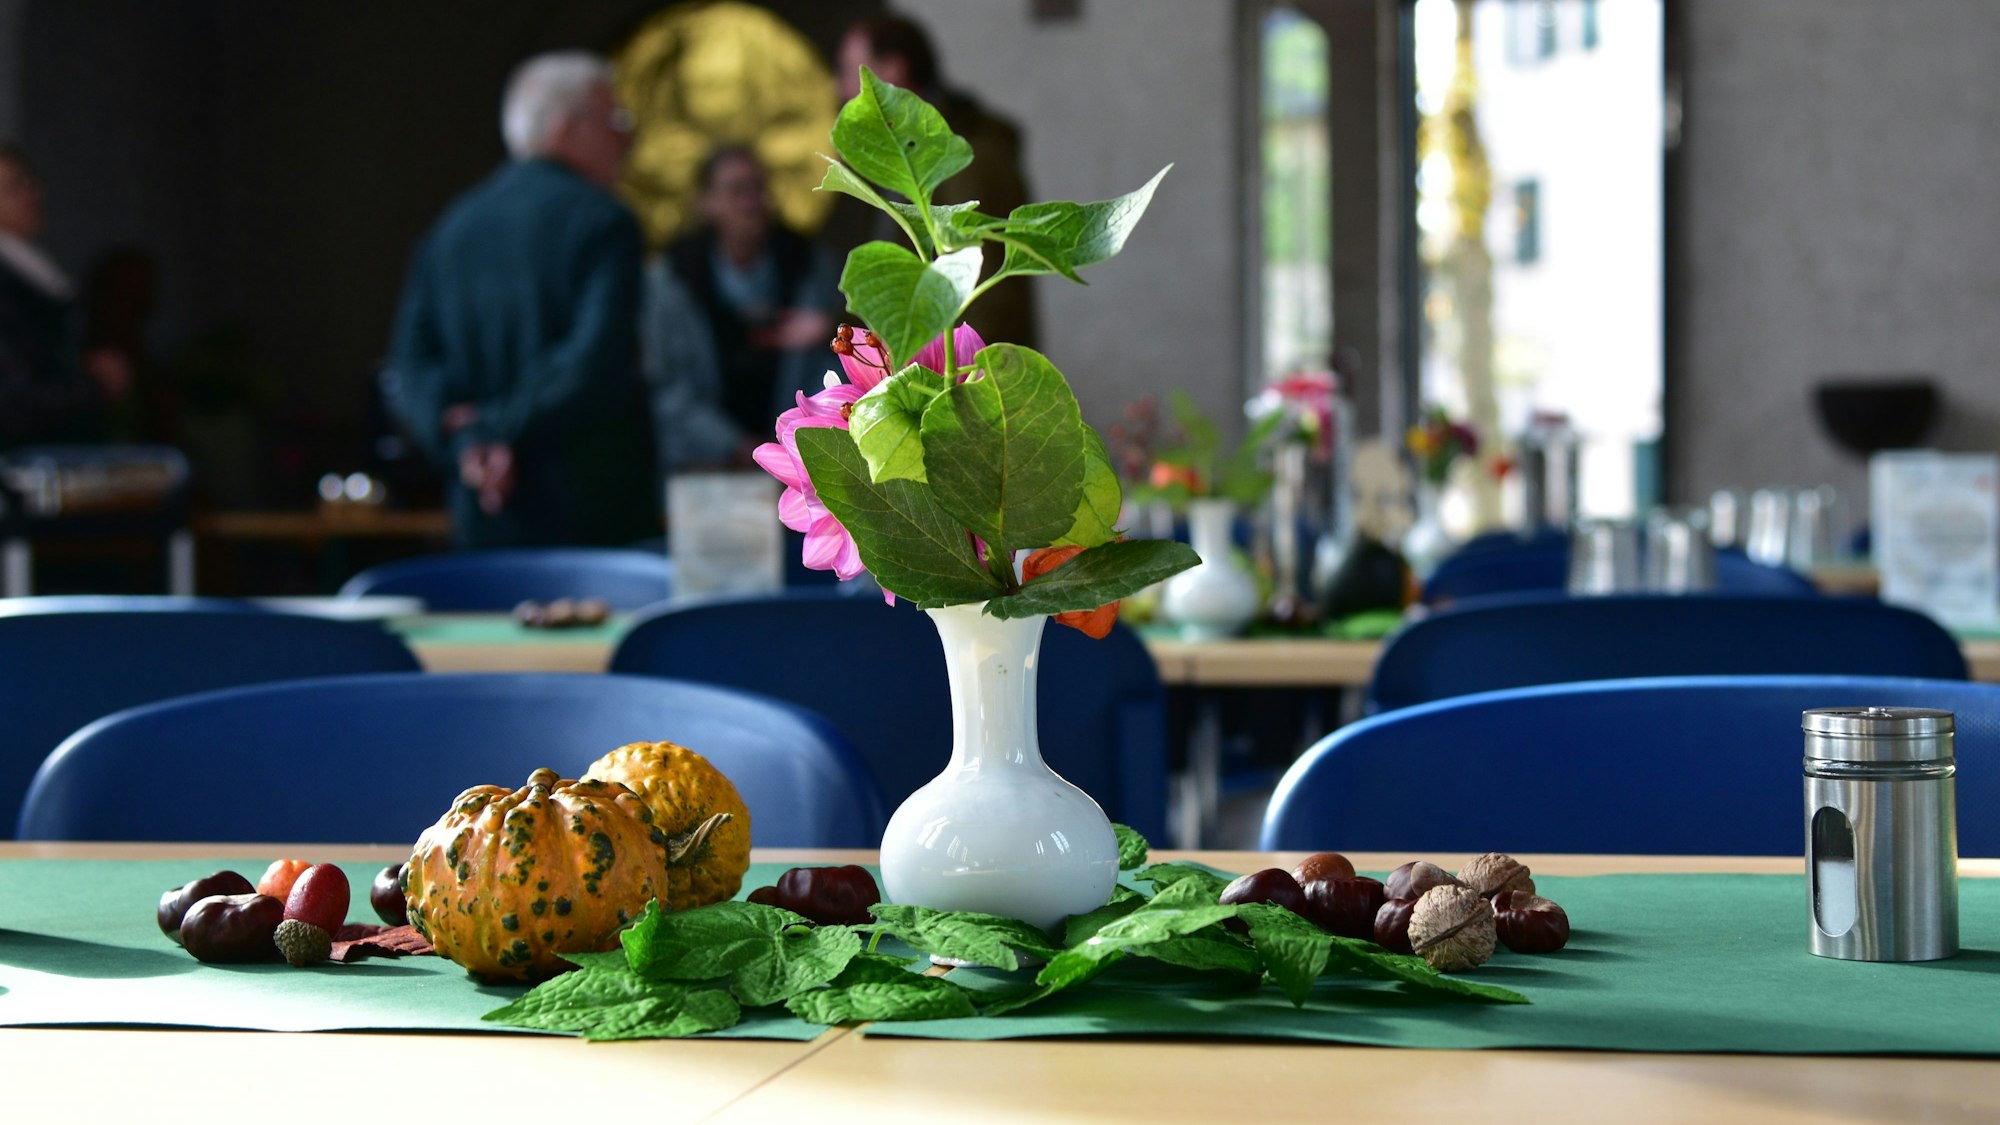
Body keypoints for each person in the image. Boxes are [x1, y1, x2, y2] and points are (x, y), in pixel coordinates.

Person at [383, 51, 656, 549]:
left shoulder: (451, 229)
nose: (625, 139)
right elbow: (595, 358)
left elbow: (410, 365)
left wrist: (467, 440)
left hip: (484, 502)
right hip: (589, 507)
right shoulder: (604, 222)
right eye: (613, 120)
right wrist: (497, 427)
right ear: (563, 127)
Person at [832, 15, 1039, 351]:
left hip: (961, 377)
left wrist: (964, 382)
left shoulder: (967, 156)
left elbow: (984, 289)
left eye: (847, 71)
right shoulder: (898, 153)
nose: (839, 88)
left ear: (894, 70)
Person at [643, 146, 839, 472]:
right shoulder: (672, 278)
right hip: (704, 464)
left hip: (801, 460)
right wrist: (733, 445)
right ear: (705, 203)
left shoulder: (808, 267)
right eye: (736, 191)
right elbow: (666, 385)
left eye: (758, 188)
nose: (751, 202)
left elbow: (832, 367)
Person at [0, 145, 131, 452]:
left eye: (30, 181)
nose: (32, 193)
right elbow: (14, 401)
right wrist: (94, 384)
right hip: (29, 463)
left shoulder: (31, 275)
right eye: (13, 186)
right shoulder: (11, 285)